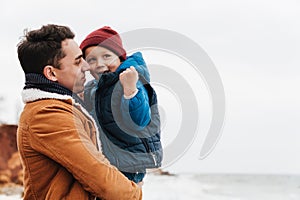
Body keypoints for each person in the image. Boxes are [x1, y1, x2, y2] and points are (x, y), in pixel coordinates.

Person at [17, 24, 142, 200]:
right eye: (77, 61)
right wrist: (135, 192)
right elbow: (102, 178)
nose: (86, 66)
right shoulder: (47, 115)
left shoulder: (63, 107)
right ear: (51, 73)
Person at [80, 26, 163, 183]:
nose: (99, 63)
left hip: (128, 165)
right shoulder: (94, 88)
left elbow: (139, 121)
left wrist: (130, 90)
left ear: (120, 57)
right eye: (91, 59)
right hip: (109, 162)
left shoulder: (131, 80)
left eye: (106, 56)